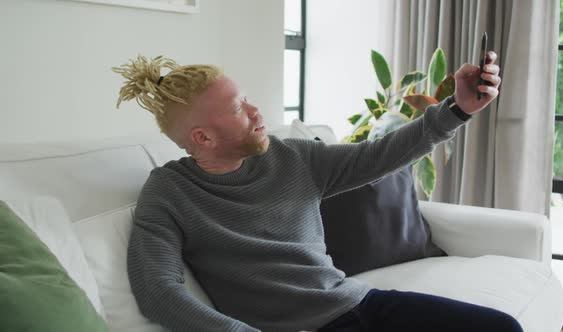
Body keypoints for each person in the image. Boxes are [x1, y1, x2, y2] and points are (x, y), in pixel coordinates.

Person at [112, 52, 518, 332]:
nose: (257, 112)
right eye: (238, 108)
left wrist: (458, 109)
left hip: (358, 305)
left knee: (503, 327)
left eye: (248, 99)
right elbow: (159, 291)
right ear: (202, 136)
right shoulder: (169, 193)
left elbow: (375, 157)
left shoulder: (293, 157)